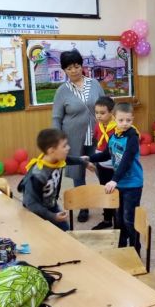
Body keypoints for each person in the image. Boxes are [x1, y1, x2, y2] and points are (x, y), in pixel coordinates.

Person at [52, 49, 105, 223]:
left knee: (102, 168)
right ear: (64, 70)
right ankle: (83, 206)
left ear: (82, 66)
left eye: (76, 66)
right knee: (77, 173)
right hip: (73, 138)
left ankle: (109, 203)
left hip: (97, 135)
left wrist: (111, 129)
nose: (74, 71)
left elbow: (106, 106)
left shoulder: (94, 84)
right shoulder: (62, 91)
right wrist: (57, 141)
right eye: (69, 68)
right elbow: (56, 117)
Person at [88, 103, 143, 250]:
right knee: (119, 218)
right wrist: (89, 158)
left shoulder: (132, 137)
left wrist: (114, 180)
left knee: (129, 219)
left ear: (132, 119)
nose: (125, 123)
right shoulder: (114, 136)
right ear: (115, 119)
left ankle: (135, 248)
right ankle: (121, 246)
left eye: (128, 120)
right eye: (121, 120)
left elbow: (126, 160)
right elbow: (106, 154)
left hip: (132, 184)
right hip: (119, 184)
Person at [17, 128, 85, 231]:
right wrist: (52, 216)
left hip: (51, 205)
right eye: (64, 146)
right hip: (36, 212)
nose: (68, 148)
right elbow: (30, 203)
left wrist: (83, 162)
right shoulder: (38, 174)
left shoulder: (55, 160)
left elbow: (67, 159)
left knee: (65, 233)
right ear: (51, 151)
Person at [91, 96, 117, 230]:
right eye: (96, 113)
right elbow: (97, 141)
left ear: (111, 112)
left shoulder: (118, 127)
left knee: (117, 192)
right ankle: (107, 219)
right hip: (102, 164)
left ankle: (119, 219)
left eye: (102, 113)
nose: (98, 116)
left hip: (116, 166)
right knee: (105, 191)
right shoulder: (98, 126)